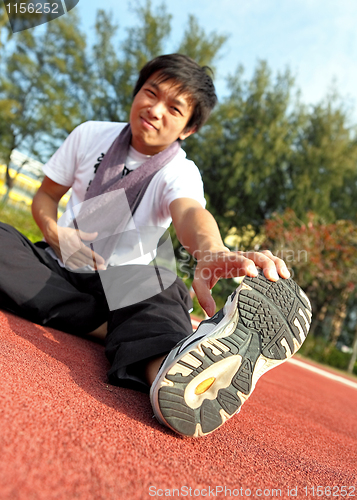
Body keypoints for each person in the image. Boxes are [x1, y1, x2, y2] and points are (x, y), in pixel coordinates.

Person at [0, 54, 312, 437]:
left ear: (188, 129)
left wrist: (212, 252)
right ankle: (105, 325)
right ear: (137, 91)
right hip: (57, 268)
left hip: (128, 284)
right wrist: (54, 233)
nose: (155, 109)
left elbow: (190, 215)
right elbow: (46, 197)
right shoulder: (89, 134)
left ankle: (173, 378)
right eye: (151, 93)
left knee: (162, 284)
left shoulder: (179, 171)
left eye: (174, 107)